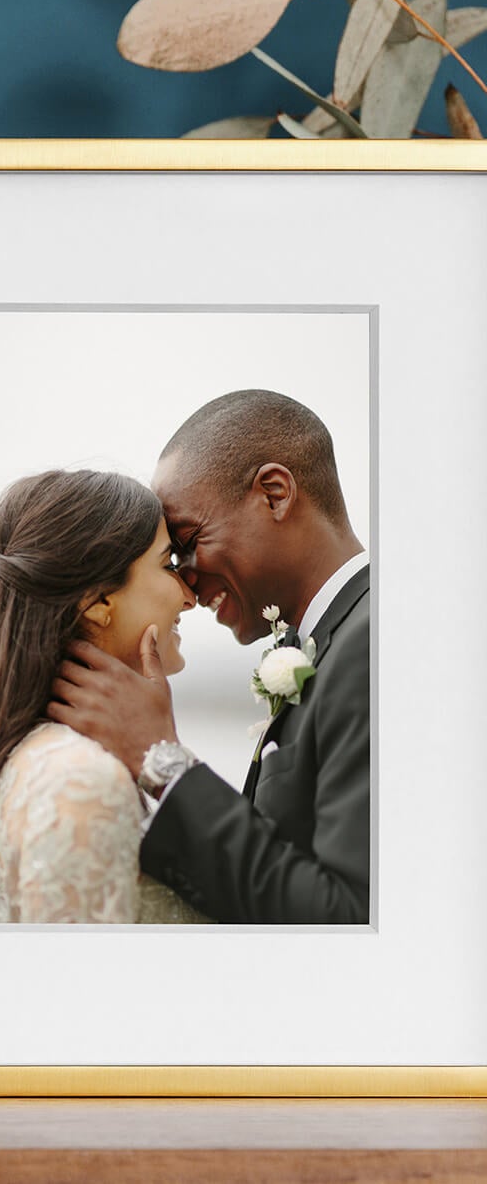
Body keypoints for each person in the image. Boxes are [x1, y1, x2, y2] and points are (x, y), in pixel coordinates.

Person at [49, 389, 370, 924]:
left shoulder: (372, 644)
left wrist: (165, 761)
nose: (189, 586)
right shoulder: (331, 643)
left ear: (274, 494)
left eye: (190, 543)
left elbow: (351, 921)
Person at [0, 468, 204, 924]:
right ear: (99, 601)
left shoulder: (40, 758)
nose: (189, 597)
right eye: (167, 565)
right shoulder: (81, 782)